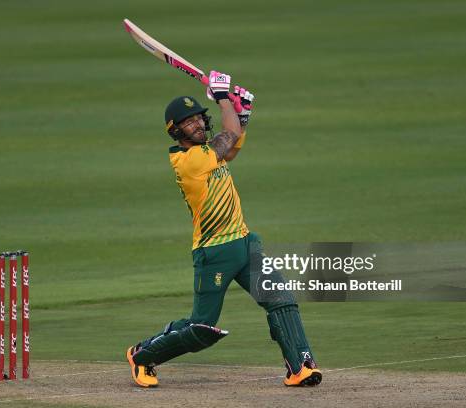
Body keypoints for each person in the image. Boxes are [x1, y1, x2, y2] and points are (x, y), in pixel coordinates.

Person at [126, 71, 322, 388]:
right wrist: (223, 99)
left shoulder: (208, 153)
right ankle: (143, 356)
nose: (199, 125)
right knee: (201, 326)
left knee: (280, 299)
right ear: (175, 131)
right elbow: (227, 135)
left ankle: (300, 366)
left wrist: (240, 113)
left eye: (200, 119)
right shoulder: (188, 161)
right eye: (189, 123)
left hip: (245, 243)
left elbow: (229, 147)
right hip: (213, 252)